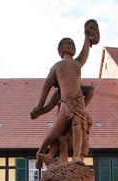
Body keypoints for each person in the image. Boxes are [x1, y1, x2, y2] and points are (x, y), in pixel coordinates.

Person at [31, 19, 99, 170]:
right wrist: (38, 109)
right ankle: (41, 153)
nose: (71, 46)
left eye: (72, 44)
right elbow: (45, 89)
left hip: (76, 104)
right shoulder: (58, 66)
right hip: (67, 103)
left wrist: (87, 37)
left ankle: (74, 156)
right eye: (67, 45)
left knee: (76, 128)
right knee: (55, 131)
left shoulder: (76, 64)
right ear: (61, 50)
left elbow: (85, 52)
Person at [31, 83, 94, 165]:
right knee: (57, 136)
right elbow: (49, 106)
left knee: (83, 138)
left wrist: (79, 109)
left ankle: (78, 159)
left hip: (75, 118)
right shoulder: (59, 92)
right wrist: (38, 113)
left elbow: (91, 91)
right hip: (64, 119)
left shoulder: (76, 87)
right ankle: (49, 155)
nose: (53, 86)